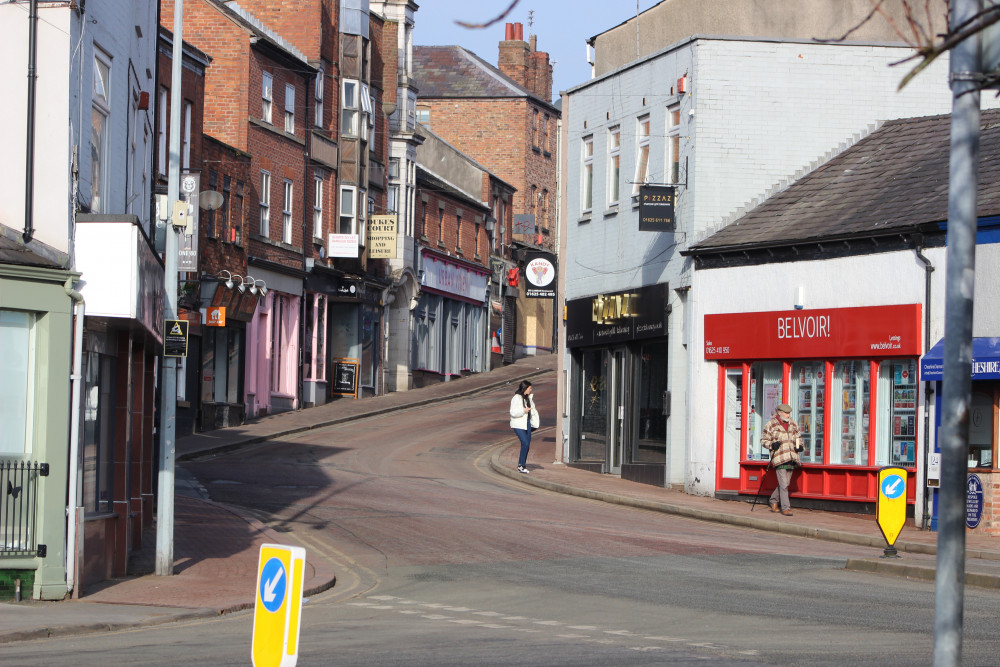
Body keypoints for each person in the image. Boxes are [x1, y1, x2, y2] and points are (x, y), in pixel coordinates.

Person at [762, 403, 803, 516]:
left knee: (785, 483)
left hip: (792, 457)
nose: (788, 415)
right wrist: (771, 444)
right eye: (786, 413)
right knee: (784, 484)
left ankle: (773, 501)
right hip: (780, 457)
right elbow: (763, 440)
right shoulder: (771, 425)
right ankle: (785, 508)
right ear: (779, 413)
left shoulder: (793, 423)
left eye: (789, 413)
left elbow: (799, 437)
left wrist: (800, 447)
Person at [510, 380, 540, 473]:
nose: (531, 390)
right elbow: (513, 412)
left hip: (527, 423)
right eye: (530, 388)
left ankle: (523, 465)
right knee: (525, 443)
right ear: (525, 388)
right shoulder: (516, 398)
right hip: (518, 424)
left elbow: (533, 411)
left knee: (527, 445)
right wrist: (523, 411)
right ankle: (520, 466)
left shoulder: (528, 398)